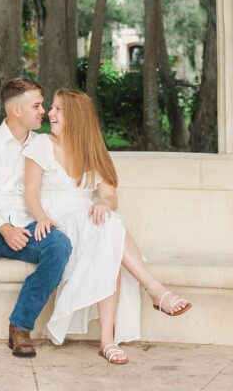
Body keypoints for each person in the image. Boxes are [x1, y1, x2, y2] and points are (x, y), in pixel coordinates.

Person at [24, 88, 192, 365]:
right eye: (51, 108)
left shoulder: (91, 152)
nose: (50, 114)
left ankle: (108, 340)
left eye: (57, 109)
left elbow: (110, 195)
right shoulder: (41, 145)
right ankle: (153, 290)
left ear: (75, 116)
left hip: (89, 221)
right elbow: (30, 192)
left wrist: (103, 202)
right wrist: (41, 216)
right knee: (108, 235)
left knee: (107, 232)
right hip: (58, 225)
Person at [0, 77, 73, 359]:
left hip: (27, 226)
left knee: (60, 246)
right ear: (16, 110)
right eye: (37, 105)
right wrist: (4, 227)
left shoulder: (44, 145)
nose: (43, 111)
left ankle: (20, 326)